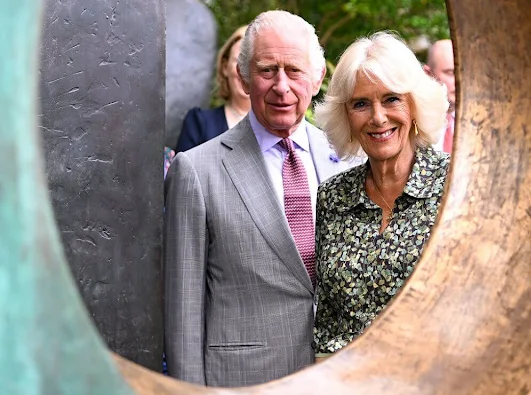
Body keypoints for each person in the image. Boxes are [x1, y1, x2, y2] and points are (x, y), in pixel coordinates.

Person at [164, 10, 357, 387]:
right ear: (244, 77)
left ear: (317, 78)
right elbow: (183, 312)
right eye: (268, 70)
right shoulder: (196, 170)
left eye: (295, 70)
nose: (281, 86)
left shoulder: (350, 159)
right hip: (242, 381)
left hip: (338, 378)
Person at [313, 32, 450, 356]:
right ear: (346, 115)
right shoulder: (332, 197)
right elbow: (328, 319)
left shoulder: (455, 184)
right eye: (361, 103)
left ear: (414, 105)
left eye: (391, 99)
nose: (377, 117)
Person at [175, 25, 250, 152]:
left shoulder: (278, 127)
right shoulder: (199, 123)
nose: (244, 71)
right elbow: (181, 171)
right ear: (225, 67)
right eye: (239, 61)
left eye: (252, 63)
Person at [424, 39, 456, 153]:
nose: (460, 80)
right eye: (451, 73)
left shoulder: (484, 121)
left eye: (463, 72)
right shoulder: (416, 121)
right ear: (428, 74)